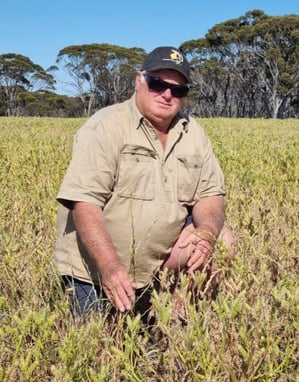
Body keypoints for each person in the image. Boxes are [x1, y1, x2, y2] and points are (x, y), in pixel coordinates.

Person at [54, 46, 233, 318]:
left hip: (159, 264)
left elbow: (210, 194)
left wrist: (207, 232)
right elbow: (85, 204)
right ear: (139, 79)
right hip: (98, 272)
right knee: (101, 351)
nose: (167, 94)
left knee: (224, 237)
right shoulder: (105, 127)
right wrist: (111, 267)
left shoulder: (192, 132)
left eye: (179, 89)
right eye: (158, 83)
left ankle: (182, 322)